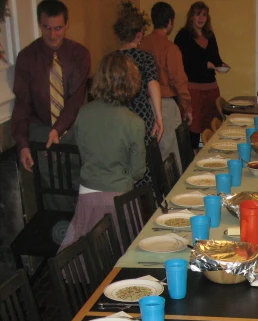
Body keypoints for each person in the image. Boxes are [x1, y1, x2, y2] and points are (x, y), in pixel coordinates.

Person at [58, 51, 146, 251]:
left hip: (88, 192)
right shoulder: (134, 123)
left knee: (90, 256)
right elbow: (138, 171)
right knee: (124, 254)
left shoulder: (83, 113)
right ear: (131, 82)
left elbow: (76, 151)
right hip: (120, 199)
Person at [11, 0, 90, 210]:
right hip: (41, 131)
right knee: (53, 192)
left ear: (66, 25)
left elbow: (75, 99)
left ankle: (83, 232)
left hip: (72, 128)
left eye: (58, 28)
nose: (53, 35)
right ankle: (63, 236)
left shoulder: (79, 54)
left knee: (79, 184)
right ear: (39, 24)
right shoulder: (27, 58)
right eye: (47, 27)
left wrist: (58, 129)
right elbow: (22, 104)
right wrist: (23, 144)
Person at [140, 1, 193, 172]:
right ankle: (169, 194)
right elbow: (179, 81)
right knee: (169, 155)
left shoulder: (141, 44)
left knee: (148, 152)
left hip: (141, 105)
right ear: (170, 22)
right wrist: (187, 107)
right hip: (164, 105)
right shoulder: (170, 49)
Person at [114, 6, 163, 190]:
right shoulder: (145, 58)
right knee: (142, 157)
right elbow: (153, 84)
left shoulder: (112, 60)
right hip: (142, 114)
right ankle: (145, 197)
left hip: (117, 116)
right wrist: (158, 116)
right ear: (139, 35)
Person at [175, 2, 228, 150]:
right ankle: (190, 161)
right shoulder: (183, 36)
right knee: (193, 127)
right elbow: (183, 61)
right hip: (193, 89)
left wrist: (221, 65)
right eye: (198, 14)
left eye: (204, 15)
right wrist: (205, 64)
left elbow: (215, 58)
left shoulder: (210, 35)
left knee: (212, 127)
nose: (201, 18)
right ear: (191, 17)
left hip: (211, 88)